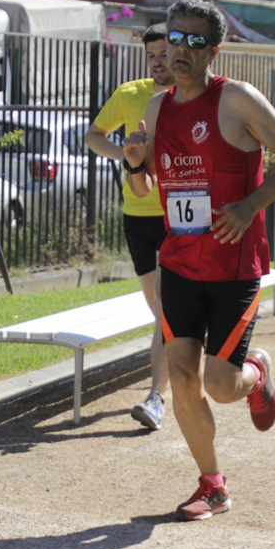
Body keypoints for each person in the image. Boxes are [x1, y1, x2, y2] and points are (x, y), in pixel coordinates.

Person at [122, 0, 275, 521]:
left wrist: (251, 205)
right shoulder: (156, 109)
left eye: (193, 41)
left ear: (214, 50)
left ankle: (257, 372)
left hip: (233, 267)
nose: (179, 49)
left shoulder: (237, 100)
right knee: (183, 376)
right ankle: (213, 485)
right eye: (173, 38)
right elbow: (145, 182)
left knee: (222, 387)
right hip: (179, 261)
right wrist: (135, 166)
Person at [84, 24, 174, 430]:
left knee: (167, 312)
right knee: (158, 308)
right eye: (152, 53)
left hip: (178, 215)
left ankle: (157, 396)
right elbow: (93, 136)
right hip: (137, 214)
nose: (158, 60)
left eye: (164, 52)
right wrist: (124, 157)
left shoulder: (190, 94)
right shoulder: (130, 93)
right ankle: (185, 359)